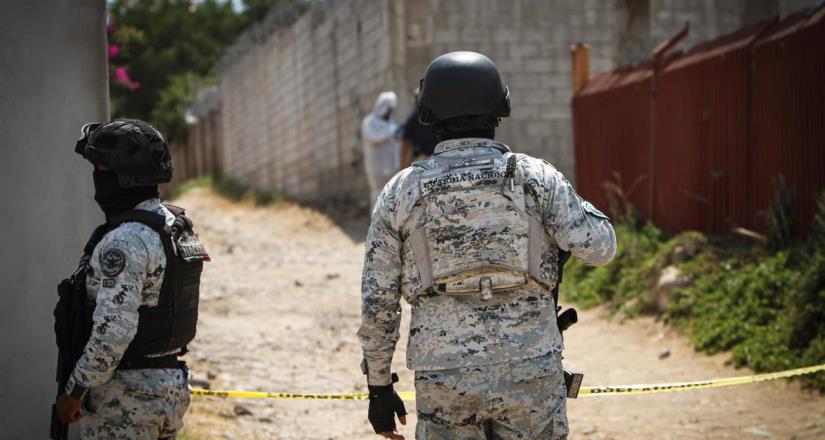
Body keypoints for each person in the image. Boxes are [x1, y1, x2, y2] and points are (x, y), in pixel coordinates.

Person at [357, 51, 616, 440]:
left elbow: (378, 302)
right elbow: (600, 247)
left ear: (427, 115)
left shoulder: (401, 192)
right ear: (502, 107)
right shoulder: (535, 178)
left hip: (445, 378)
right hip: (531, 371)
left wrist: (379, 387)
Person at [55, 119, 209, 439]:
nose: (96, 177)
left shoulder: (124, 241)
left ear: (120, 176)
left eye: (100, 168)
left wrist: (76, 390)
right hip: (169, 388)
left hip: (126, 398)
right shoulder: (173, 226)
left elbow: (114, 331)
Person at [362, 91, 401, 206]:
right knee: (378, 193)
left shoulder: (391, 125)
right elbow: (373, 137)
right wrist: (391, 133)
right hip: (376, 166)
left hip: (391, 165)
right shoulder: (369, 122)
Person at [398, 88, 438, 170]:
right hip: (439, 158)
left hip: (423, 161)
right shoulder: (437, 115)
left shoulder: (412, 119)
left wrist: (402, 167)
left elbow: (405, 144)